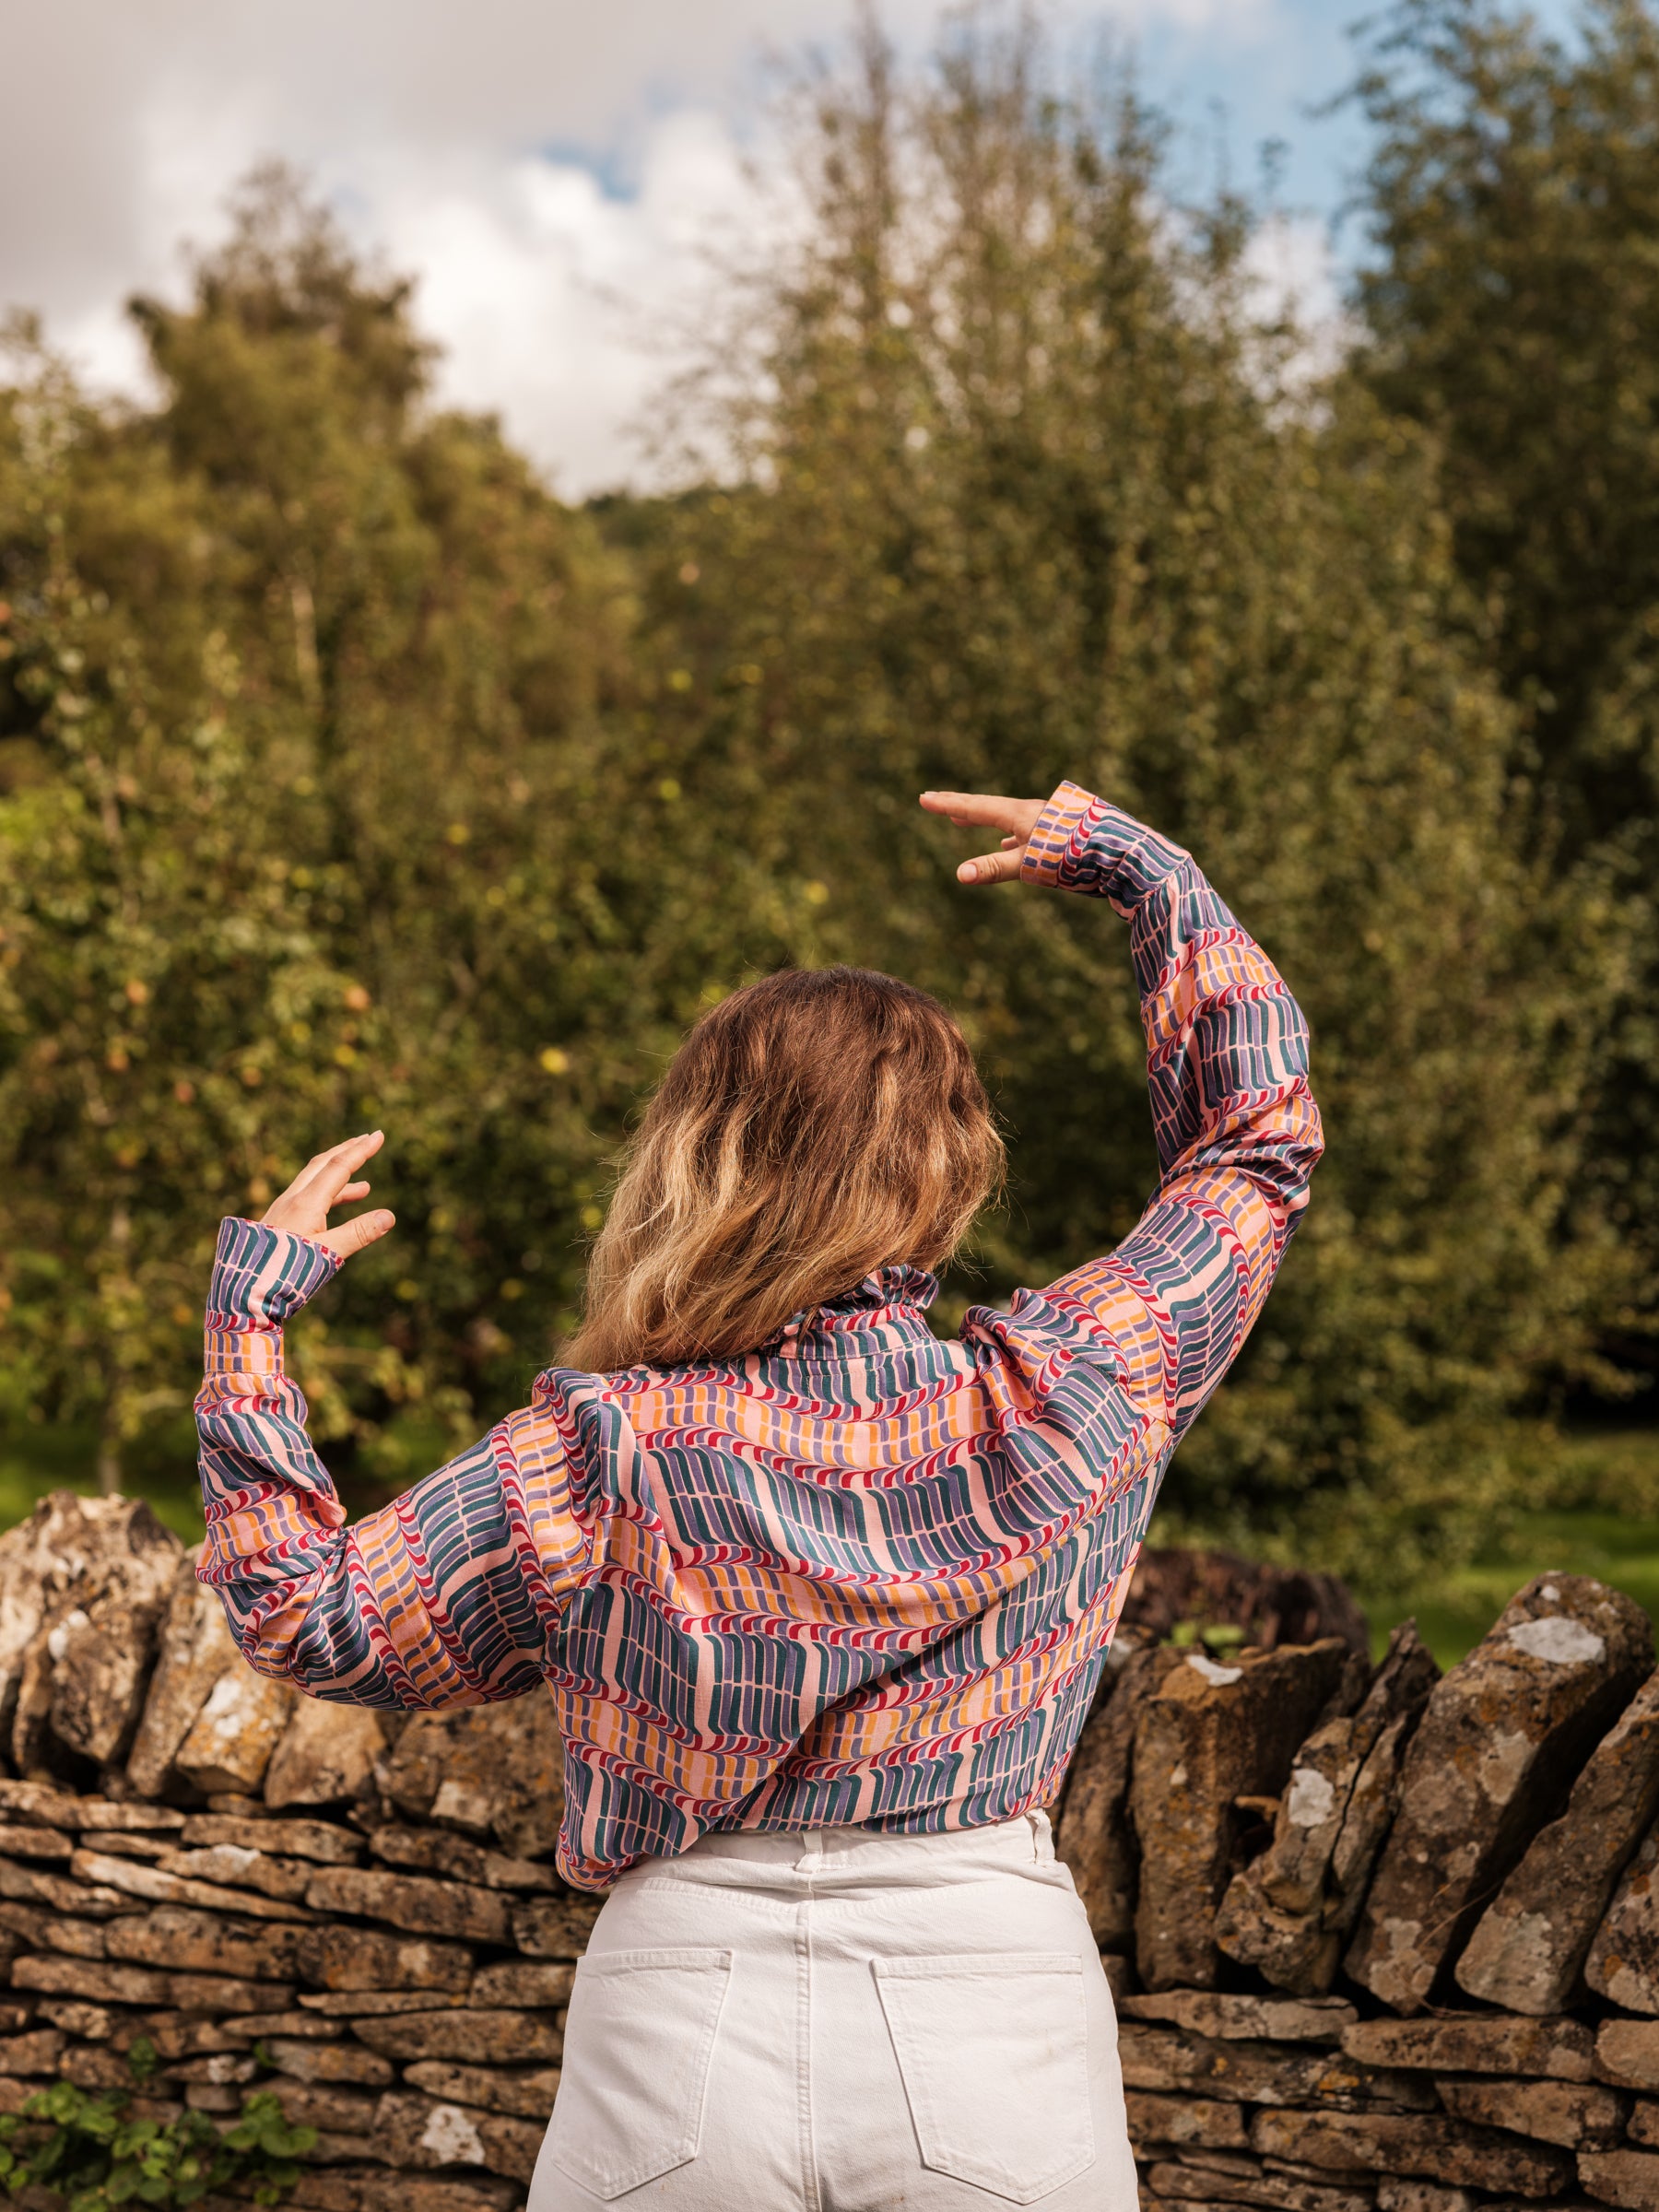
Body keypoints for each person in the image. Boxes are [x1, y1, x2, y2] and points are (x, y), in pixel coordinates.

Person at [195, 782, 1321, 2211]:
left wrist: (249, 1332)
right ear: (951, 1170)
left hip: (676, 2035)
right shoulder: (1074, 1388)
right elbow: (1255, 1148)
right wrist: (1149, 879)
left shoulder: (603, 1451)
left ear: (693, 1163)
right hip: (993, 2020)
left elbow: (306, 1617)